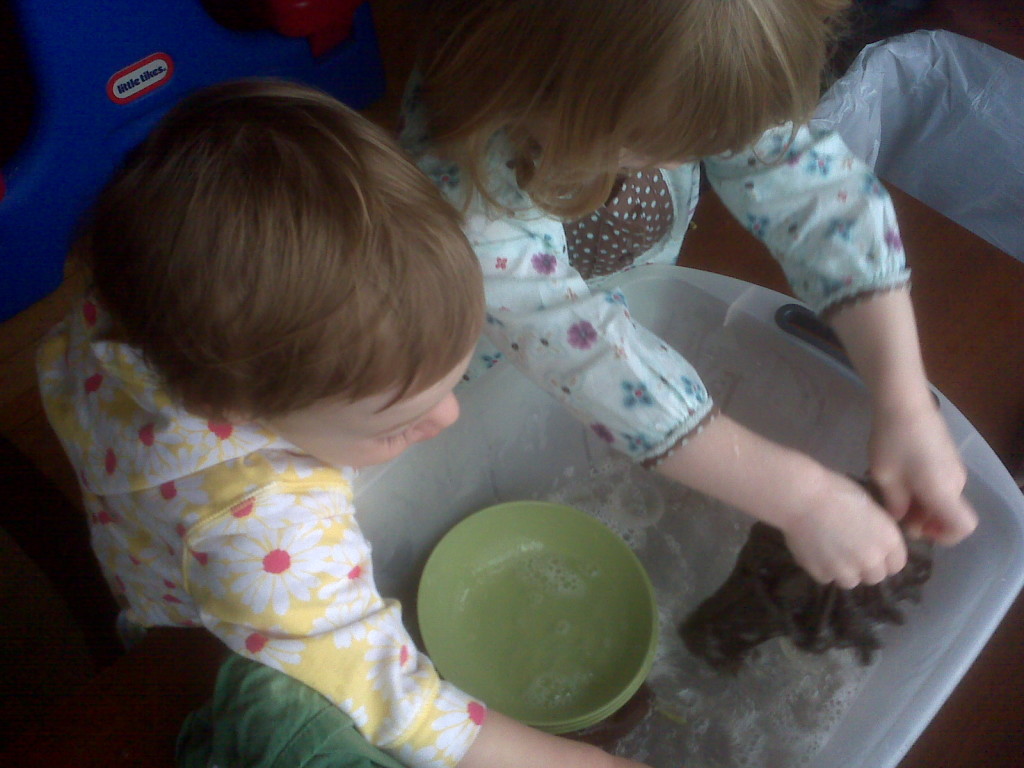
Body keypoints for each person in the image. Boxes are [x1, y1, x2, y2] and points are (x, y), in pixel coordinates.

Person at [37, 81, 650, 768]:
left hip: (146, 530)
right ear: (241, 410)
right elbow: (404, 707)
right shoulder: (269, 535)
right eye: (398, 420)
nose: (449, 419)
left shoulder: (124, 315)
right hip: (201, 641)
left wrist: (372, 424)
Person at [402, 0, 978, 590]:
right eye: (650, 145)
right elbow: (570, 342)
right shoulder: (464, 179)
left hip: (622, 346)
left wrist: (904, 401)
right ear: (539, 87)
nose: (686, 161)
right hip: (479, 366)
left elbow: (813, 194)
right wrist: (801, 498)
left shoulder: (675, 63)